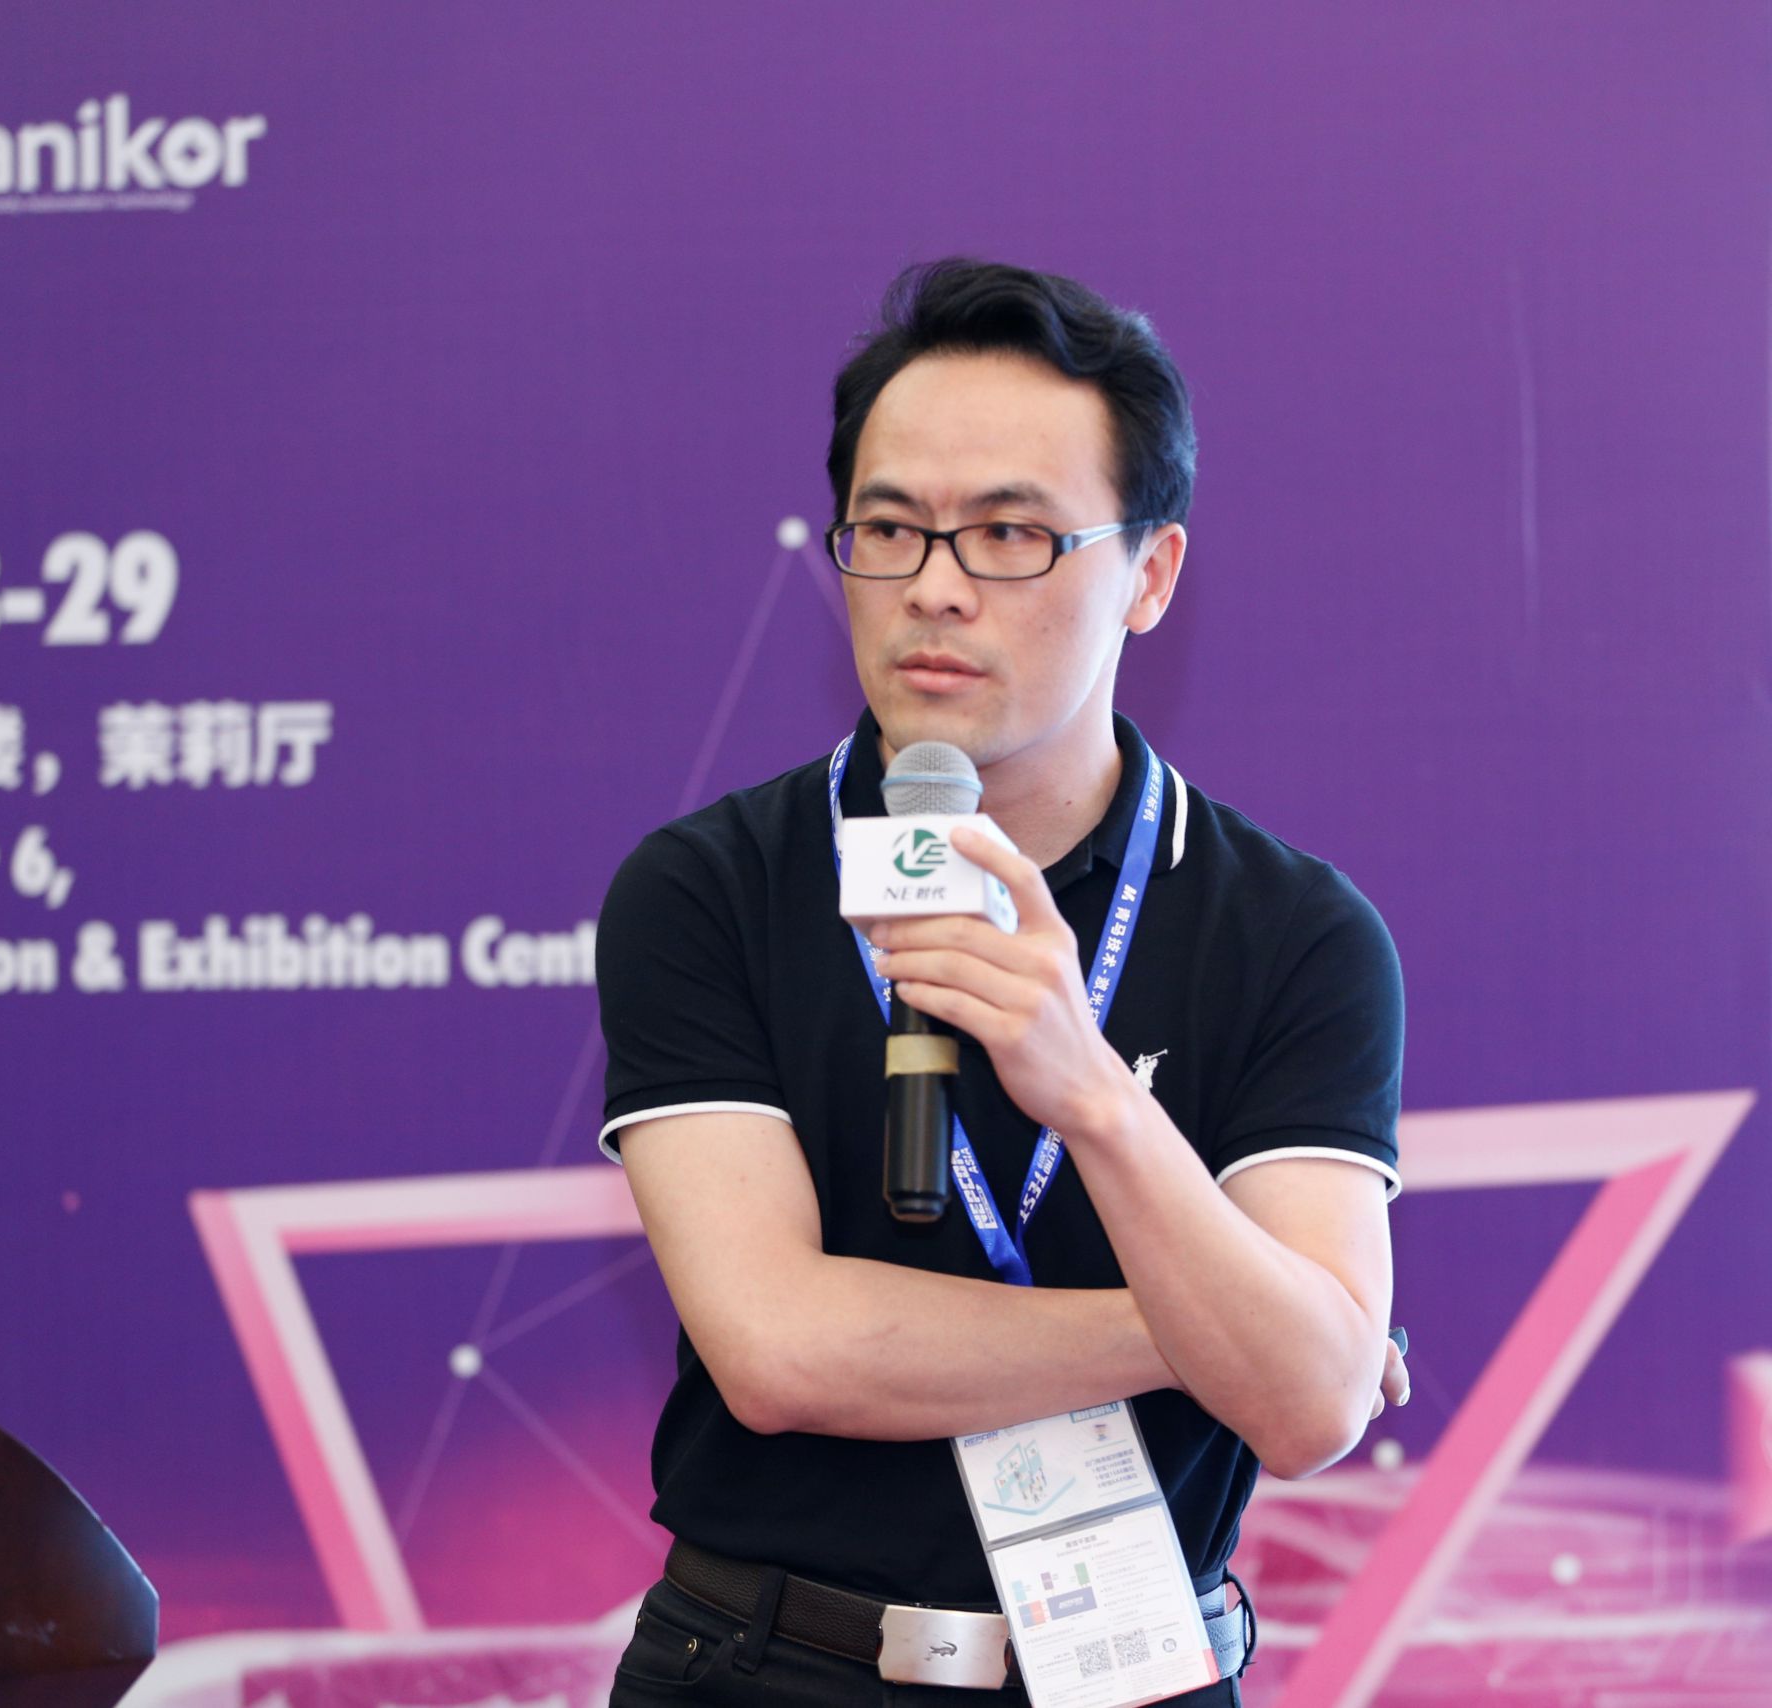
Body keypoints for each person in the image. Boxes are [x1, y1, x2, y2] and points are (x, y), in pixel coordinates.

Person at [595, 258, 1409, 1707]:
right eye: (889, 531)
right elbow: (778, 1350)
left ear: (1150, 574)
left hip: (1139, 1673)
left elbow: (1306, 1414)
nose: (935, 588)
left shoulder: (1293, 931)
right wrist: (1220, 1337)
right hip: (771, 1664)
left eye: (1010, 536)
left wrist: (1090, 1092)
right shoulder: (708, 887)